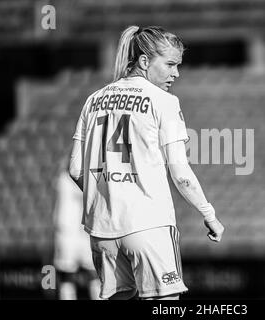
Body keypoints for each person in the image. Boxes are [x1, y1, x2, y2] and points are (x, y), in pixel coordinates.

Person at [68, 25, 224, 300]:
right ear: (143, 61)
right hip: (148, 227)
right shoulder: (163, 101)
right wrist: (209, 215)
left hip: (102, 231)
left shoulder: (93, 101)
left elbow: (76, 169)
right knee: (165, 304)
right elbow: (181, 174)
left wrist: (112, 194)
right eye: (171, 64)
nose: (176, 73)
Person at [53, 160, 100, 300]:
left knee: (93, 274)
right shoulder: (65, 179)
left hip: (82, 233)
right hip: (69, 233)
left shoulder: (87, 180)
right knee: (68, 275)